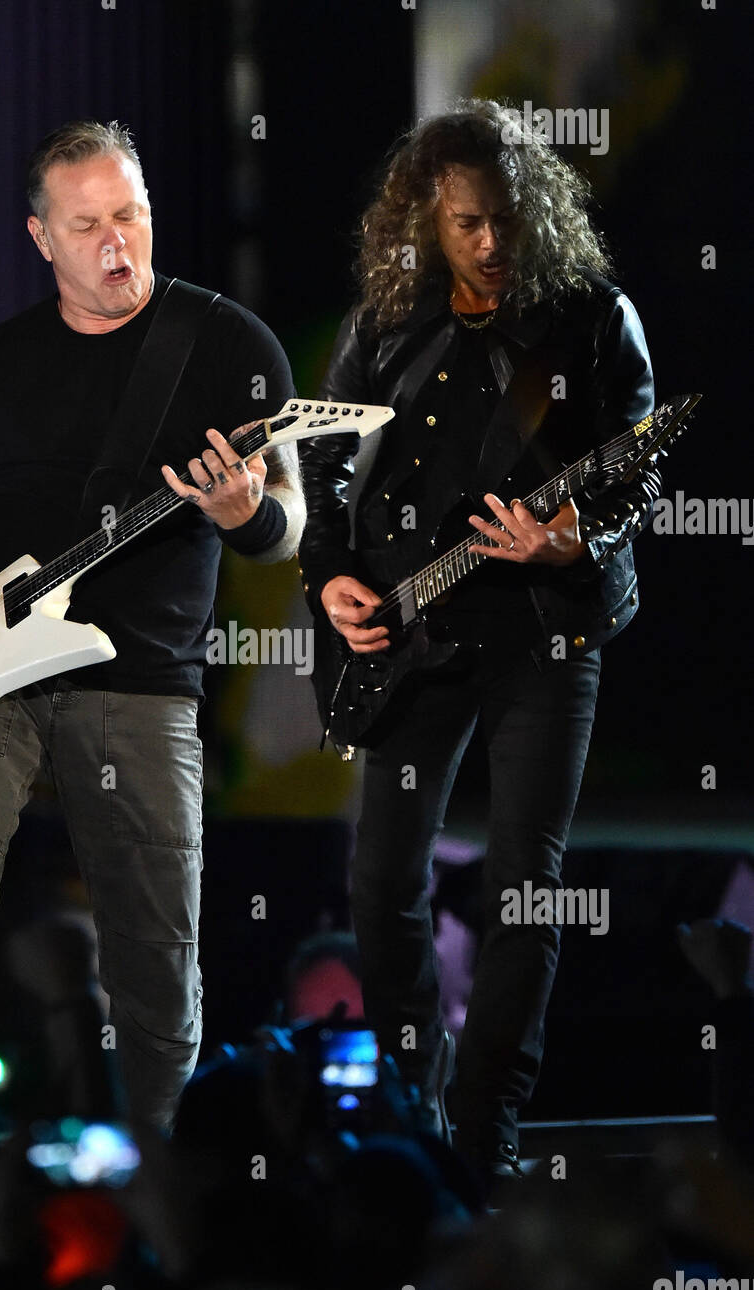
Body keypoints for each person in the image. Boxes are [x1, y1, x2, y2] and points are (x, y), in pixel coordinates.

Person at [0, 120, 304, 1132]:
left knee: (156, 948)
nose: (116, 244)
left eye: (131, 216)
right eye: (88, 223)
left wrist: (247, 515)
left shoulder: (228, 344)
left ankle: (157, 1179)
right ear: (40, 236)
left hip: (142, 678)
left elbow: (286, 526)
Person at [298, 99, 660, 1194]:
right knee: (380, 884)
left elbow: (634, 465)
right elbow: (319, 473)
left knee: (525, 886)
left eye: (503, 220)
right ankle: (413, 1101)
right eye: (465, 224)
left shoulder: (589, 318)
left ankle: (483, 1120)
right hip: (409, 632)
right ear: (426, 219)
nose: (490, 244)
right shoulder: (383, 320)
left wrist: (570, 537)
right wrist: (329, 581)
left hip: (544, 634)